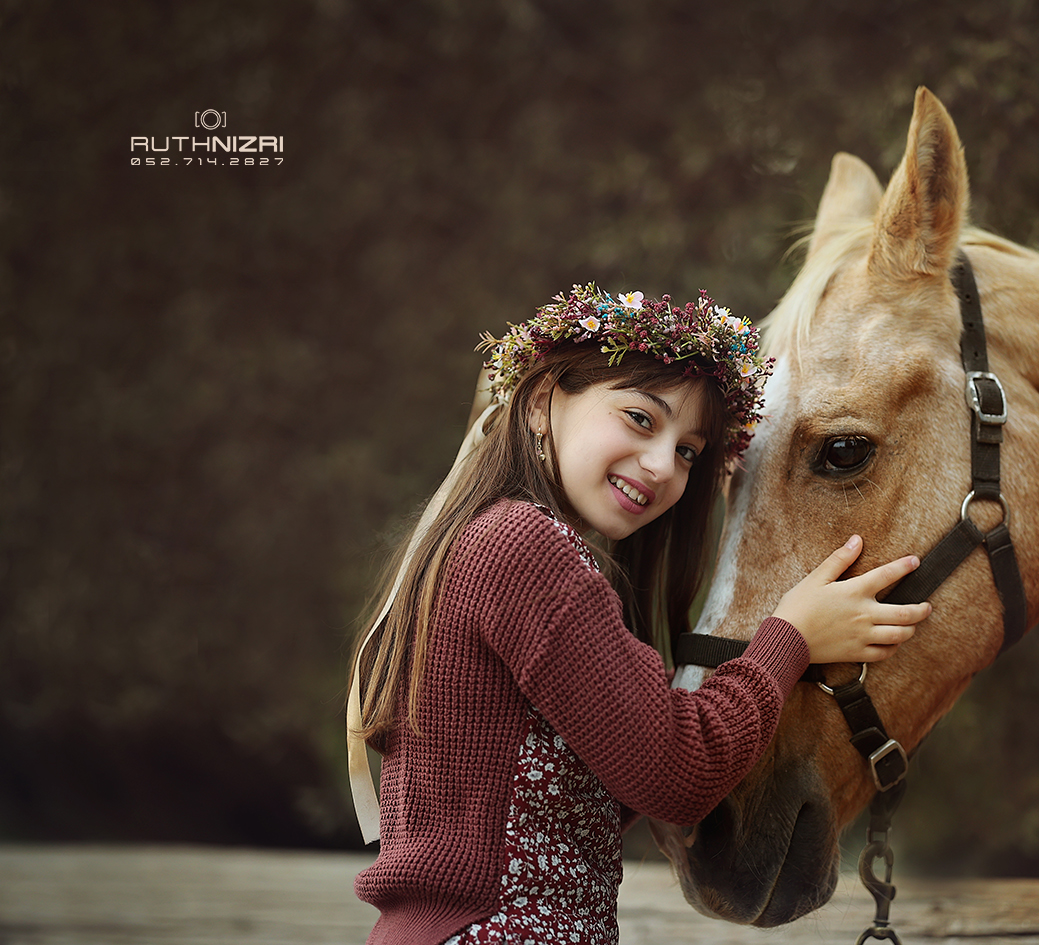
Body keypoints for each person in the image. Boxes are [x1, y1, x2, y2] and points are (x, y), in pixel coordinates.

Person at [346, 284, 930, 944]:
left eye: (688, 451)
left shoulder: (490, 541)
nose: (662, 466)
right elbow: (675, 775)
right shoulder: (523, 547)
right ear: (543, 403)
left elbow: (615, 776)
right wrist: (789, 637)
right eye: (640, 419)